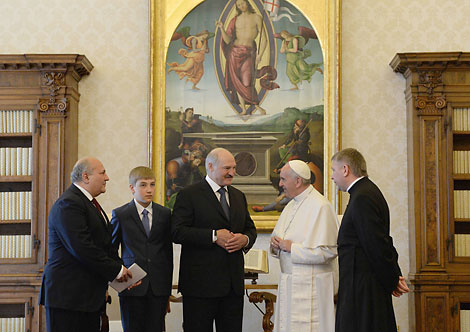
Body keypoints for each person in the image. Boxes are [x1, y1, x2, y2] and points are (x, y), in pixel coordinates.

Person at [39, 157, 133, 332]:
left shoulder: (87, 203)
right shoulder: (69, 203)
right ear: (86, 177)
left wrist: (124, 273)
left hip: (86, 298)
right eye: (102, 173)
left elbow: (104, 246)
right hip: (68, 298)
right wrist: (117, 271)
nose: (107, 178)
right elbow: (82, 247)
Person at [172, 147, 257, 332]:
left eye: (234, 168)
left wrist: (245, 240)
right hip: (200, 287)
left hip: (232, 286)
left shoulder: (238, 196)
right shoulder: (189, 195)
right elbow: (177, 232)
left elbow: (250, 229)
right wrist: (214, 236)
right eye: (227, 168)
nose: (232, 173)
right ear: (210, 166)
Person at [331, 148, 410, 332]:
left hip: (362, 291)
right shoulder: (365, 191)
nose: (332, 177)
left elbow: (376, 244)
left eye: (333, 171)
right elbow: (382, 240)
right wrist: (393, 275)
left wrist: (392, 279)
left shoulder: (362, 197)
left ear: (345, 169)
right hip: (363, 286)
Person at [270, 160, 339, 332]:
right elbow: (280, 241)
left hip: (311, 287)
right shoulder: (290, 205)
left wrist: (291, 248)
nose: (280, 184)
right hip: (290, 282)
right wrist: (275, 245)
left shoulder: (321, 206)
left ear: (298, 181)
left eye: (283, 179)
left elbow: (329, 251)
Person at [110, 166, 173, 332]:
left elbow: (168, 253)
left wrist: (166, 290)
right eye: (143, 185)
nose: (149, 190)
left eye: (152, 185)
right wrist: (119, 274)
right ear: (132, 188)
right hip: (131, 286)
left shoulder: (165, 214)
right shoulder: (121, 214)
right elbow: (111, 250)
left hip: (158, 287)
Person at [216, 0, 278, 115]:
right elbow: (228, 40)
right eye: (238, 5)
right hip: (234, 53)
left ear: (248, 3)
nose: (241, 6)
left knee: (247, 81)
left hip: (249, 53)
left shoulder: (257, 17)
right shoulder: (235, 20)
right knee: (237, 82)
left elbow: (264, 39)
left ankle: (256, 106)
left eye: (242, 3)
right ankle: (244, 109)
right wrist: (221, 29)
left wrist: (260, 55)